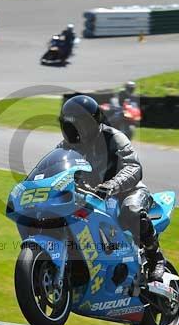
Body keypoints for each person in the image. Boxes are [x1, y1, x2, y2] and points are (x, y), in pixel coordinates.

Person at [57, 95, 167, 282]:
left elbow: (133, 167)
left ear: (92, 122)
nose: (76, 130)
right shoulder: (66, 147)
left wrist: (111, 185)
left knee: (131, 211)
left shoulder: (113, 137)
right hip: (92, 197)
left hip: (128, 192)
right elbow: (55, 167)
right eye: (71, 125)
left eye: (80, 124)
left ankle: (155, 256)